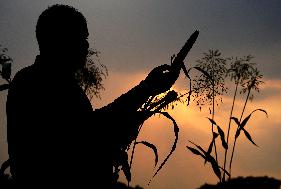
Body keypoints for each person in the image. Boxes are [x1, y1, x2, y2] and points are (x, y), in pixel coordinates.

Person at [6, 4, 180, 188]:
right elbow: (78, 142)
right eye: (81, 38)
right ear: (60, 39)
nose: (87, 45)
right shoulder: (38, 83)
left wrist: (146, 88)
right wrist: (145, 90)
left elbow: (85, 132)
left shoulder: (44, 82)